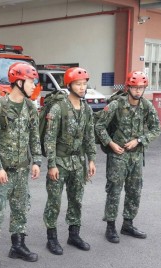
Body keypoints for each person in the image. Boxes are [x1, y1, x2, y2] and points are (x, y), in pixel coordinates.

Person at [0, 62, 42, 268]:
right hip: (3, 172)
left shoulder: (30, 107)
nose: (34, 85)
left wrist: (37, 161)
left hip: (22, 170)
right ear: (18, 82)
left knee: (20, 209)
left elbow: (34, 136)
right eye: (31, 81)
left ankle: (18, 247)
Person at [94, 71, 161, 243]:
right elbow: (100, 125)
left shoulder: (146, 106)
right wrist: (110, 144)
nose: (138, 91)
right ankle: (110, 227)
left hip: (136, 156)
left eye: (141, 88)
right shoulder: (117, 105)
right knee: (114, 191)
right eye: (135, 87)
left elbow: (156, 129)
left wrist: (139, 140)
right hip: (118, 156)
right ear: (128, 87)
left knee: (134, 191)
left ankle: (128, 224)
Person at [42, 67, 97, 255]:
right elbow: (49, 138)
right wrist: (51, 164)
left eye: (84, 84)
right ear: (69, 85)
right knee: (54, 201)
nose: (82, 88)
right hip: (60, 161)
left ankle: (74, 234)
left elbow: (90, 135)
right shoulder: (59, 108)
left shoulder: (87, 109)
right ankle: (52, 238)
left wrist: (91, 160)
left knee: (76, 199)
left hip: (78, 162)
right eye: (78, 84)